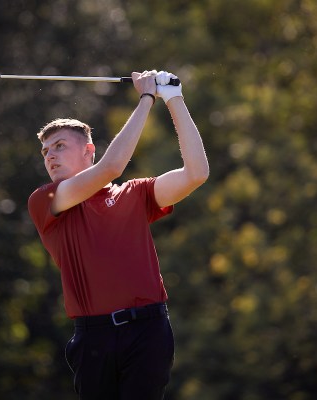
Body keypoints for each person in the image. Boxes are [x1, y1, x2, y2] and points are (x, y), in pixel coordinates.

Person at [27, 70, 209, 399]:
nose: (50, 155)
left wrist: (173, 98)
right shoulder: (47, 200)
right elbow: (111, 167)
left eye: (59, 146)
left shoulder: (135, 194)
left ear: (88, 150)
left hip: (148, 329)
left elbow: (196, 173)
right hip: (94, 337)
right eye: (45, 151)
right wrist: (145, 98)